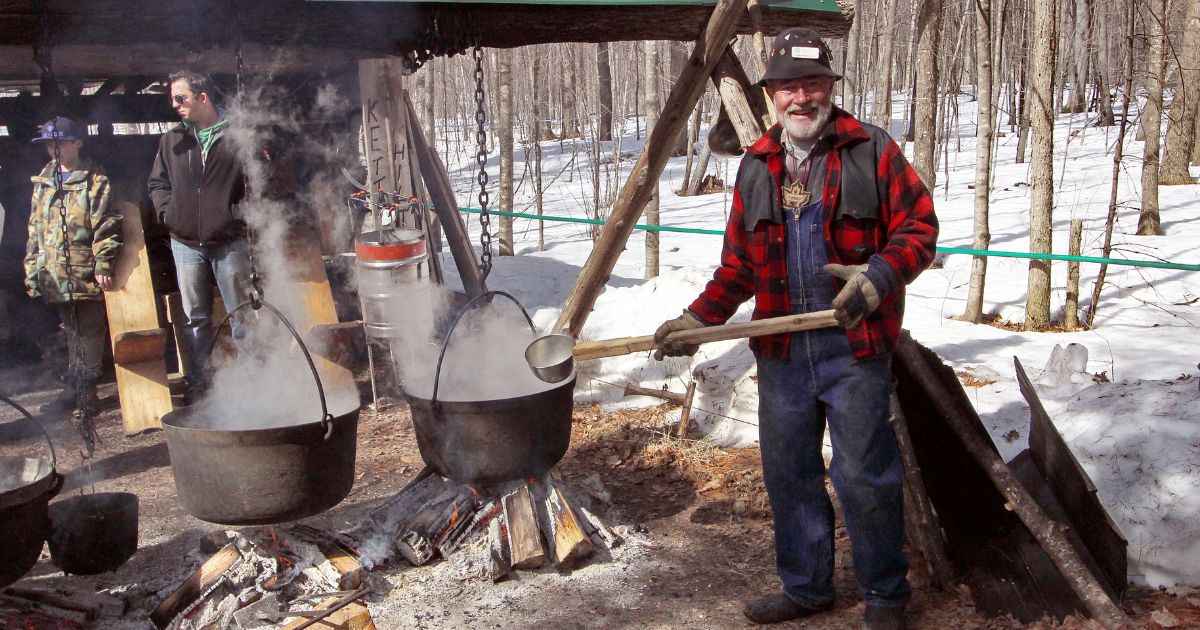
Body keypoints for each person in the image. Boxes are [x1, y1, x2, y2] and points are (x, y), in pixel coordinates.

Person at [653, 28, 938, 630]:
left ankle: (885, 596)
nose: (801, 98)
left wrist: (879, 276)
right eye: (788, 87)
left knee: (863, 474)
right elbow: (737, 268)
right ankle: (807, 589)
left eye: (812, 84)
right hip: (780, 349)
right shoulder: (757, 166)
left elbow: (919, 229)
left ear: (829, 88)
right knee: (789, 474)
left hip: (855, 348)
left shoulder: (872, 150)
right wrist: (695, 319)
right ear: (773, 95)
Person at [148, 70, 251, 401]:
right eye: (173, 100)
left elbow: (261, 181)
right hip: (186, 242)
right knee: (195, 319)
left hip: (229, 241)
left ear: (202, 98)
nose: (175, 105)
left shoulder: (238, 134)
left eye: (181, 98)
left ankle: (254, 382)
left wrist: (239, 216)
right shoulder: (172, 139)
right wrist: (169, 214)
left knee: (242, 314)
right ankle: (200, 384)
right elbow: (157, 184)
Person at [24, 117, 122, 414]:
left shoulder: (95, 181)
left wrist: (104, 263)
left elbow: (107, 224)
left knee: (90, 328)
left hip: (84, 267)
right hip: (54, 270)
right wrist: (32, 267)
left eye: (62, 143)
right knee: (70, 328)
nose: (55, 149)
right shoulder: (43, 181)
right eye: (50, 144)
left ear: (77, 142)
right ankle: (74, 385)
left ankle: (87, 389)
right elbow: (34, 229)